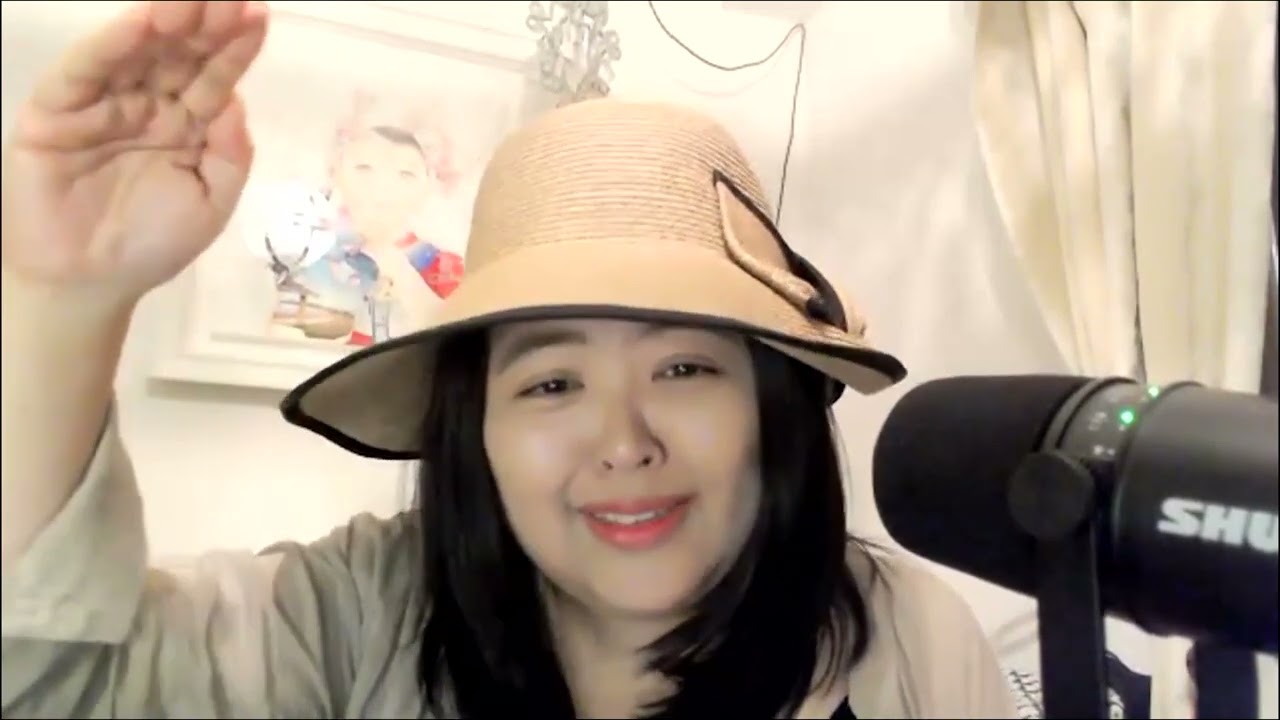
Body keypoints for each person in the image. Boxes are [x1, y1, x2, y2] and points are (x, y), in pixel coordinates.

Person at [0, 2, 1017, 718]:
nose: (623, 444)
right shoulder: (351, 618)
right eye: (551, 383)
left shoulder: (905, 639)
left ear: (770, 404)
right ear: (474, 424)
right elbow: (48, 684)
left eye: (683, 370)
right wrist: (61, 297)